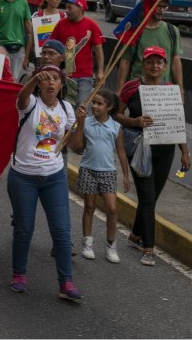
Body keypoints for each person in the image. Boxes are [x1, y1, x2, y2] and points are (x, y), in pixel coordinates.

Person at [9, 65, 82, 300]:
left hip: (54, 177)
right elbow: (21, 99)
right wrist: (31, 79)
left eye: (55, 79)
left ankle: (66, 282)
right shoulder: (30, 103)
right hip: (23, 177)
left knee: (62, 231)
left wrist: (81, 122)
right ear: (39, 84)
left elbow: (75, 145)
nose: (50, 82)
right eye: (45, 79)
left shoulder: (66, 108)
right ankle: (19, 274)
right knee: (24, 229)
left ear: (61, 85)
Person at [114, 46, 191, 266]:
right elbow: (116, 114)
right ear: (143, 64)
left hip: (165, 150)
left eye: (159, 62)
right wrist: (134, 122)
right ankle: (148, 248)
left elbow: (178, 123)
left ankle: (136, 234)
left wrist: (184, 151)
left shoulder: (171, 90)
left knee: (152, 197)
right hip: (140, 149)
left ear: (165, 66)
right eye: (150, 62)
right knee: (147, 198)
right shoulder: (132, 87)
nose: (154, 66)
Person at [70, 89, 130, 263]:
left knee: (112, 209)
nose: (94, 106)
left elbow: (121, 151)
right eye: (93, 103)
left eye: (99, 103)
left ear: (109, 107)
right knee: (89, 207)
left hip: (109, 172)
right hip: (88, 169)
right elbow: (77, 144)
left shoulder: (115, 127)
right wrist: (79, 123)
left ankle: (111, 245)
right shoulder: (86, 122)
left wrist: (125, 175)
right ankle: (87, 243)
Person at [116, 0, 183, 95]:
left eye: (164, 7)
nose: (162, 10)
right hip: (139, 89)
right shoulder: (135, 32)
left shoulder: (172, 31)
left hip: (164, 91)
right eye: (158, 6)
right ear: (147, 7)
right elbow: (125, 61)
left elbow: (175, 61)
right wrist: (119, 90)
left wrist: (180, 89)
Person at [48, 0, 104, 105]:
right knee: (64, 104)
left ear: (80, 8)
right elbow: (51, 47)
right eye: (66, 8)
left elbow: (98, 50)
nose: (66, 11)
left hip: (84, 75)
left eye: (70, 8)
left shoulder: (92, 25)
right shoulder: (61, 24)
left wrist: (100, 72)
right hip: (64, 74)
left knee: (82, 106)